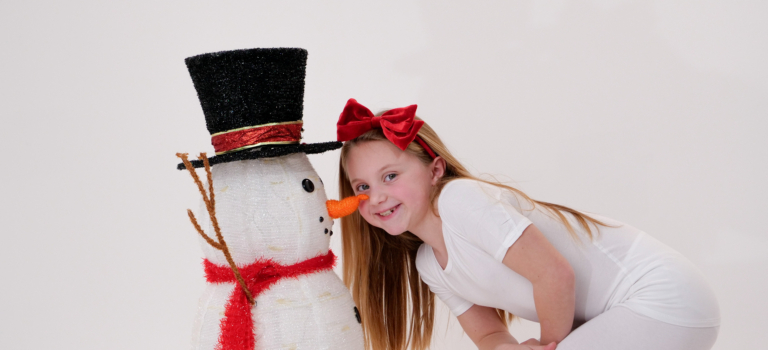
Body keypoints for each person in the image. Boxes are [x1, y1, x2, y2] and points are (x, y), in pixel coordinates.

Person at [334, 98, 721, 350]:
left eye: (390, 177)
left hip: (661, 296)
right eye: (363, 186)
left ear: (435, 169)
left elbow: (554, 275)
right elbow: (488, 334)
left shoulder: (460, 200)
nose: (378, 196)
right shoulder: (430, 265)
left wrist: (550, 345)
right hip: (618, 317)